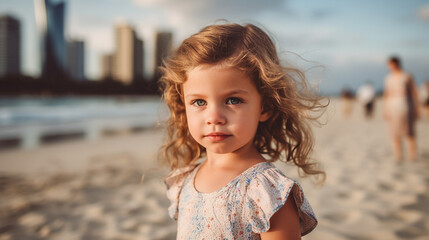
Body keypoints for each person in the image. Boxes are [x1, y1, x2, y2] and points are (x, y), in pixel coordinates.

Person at [160, 23, 326, 239]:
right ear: (183, 104)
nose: (214, 117)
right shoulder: (185, 181)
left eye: (233, 100)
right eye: (199, 102)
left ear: (264, 107)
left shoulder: (267, 193)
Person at [383, 56, 420, 162]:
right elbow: (387, 94)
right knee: (395, 132)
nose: (390, 66)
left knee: (409, 132)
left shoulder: (407, 76)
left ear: (397, 63)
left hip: (406, 106)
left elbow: (414, 92)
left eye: (391, 64)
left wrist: (416, 108)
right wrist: (385, 109)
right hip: (393, 106)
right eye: (389, 64)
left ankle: (413, 155)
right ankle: (398, 155)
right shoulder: (388, 78)